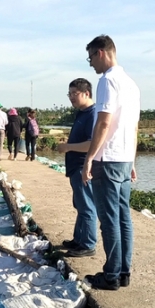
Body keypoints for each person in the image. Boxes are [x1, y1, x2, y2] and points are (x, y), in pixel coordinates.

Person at [82, 35, 141, 290]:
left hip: (107, 160)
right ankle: (123, 272)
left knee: (108, 219)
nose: (91, 64)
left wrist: (89, 158)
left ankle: (111, 275)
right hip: (125, 158)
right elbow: (135, 127)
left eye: (91, 57)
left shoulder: (107, 81)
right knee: (123, 216)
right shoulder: (131, 84)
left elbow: (104, 122)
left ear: (101, 53)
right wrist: (132, 160)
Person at [57, 78, 97, 257]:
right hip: (75, 167)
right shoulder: (82, 112)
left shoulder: (93, 113)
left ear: (86, 93)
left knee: (87, 205)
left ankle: (88, 244)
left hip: (83, 166)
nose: (71, 97)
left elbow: (91, 144)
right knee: (80, 204)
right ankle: (79, 239)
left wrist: (68, 147)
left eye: (75, 94)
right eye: (69, 94)